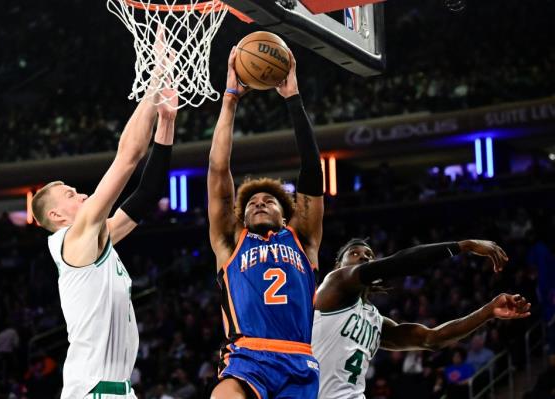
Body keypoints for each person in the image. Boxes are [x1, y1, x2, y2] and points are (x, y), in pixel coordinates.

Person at [30, 55, 178, 398]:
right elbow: (128, 155)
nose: (81, 194)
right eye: (70, 194)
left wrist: (167, 124)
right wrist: (156, 76)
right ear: (56, 217)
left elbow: (147, 194)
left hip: (116, 389)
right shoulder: (75, 238)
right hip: (95, 391)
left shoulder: (96, 239)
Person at [208, 47, 323, 399]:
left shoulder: (302, 239)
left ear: (285, 213)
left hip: (298, 360)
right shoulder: (230, 242)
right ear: (241, 216)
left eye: (268, 201)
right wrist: (229, 100)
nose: (258, 203)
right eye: (252, 203)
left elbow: (312, 172)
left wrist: (293, 100)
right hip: (247, 355)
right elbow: (217, 171)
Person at [313, 238, 531, 399]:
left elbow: (431, 339)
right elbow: (402, 262)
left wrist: (489, 311)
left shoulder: (374, 320)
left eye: (369, 255)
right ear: (338, 265)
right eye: (354, 253)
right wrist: (464, 246)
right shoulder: (335, 281)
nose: (363, 257)